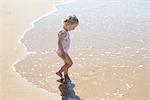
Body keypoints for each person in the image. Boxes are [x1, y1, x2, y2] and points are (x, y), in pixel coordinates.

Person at [56, 15, 79, 83]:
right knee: (70, 63)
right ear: (68, 24)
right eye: (73, 27)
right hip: (62, 51)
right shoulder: (63, 32)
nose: (74, 29)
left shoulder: (65, 31)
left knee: (66, 63)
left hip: (63, 51)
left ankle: (65, 74)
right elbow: (59, 42)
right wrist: (62, 51)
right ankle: (59, 72)